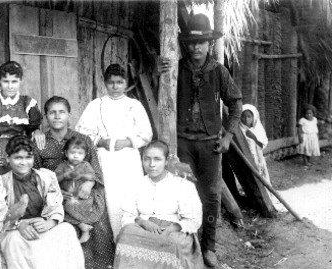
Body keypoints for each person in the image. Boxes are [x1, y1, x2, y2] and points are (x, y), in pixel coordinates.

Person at [157, 14, 242, 267]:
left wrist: (227, 136)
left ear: (208, 44)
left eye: (202, 43)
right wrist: (160, 72)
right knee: (182, 194)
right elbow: (162, 96)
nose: (196, 47)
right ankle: (186, 245)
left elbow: (236, 104)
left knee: (211, 195)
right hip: (182, 143)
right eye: (192, 43)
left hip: (209, 145)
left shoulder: (219, 72)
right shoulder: (175, 68)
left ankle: (209, 248)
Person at [34, 96, 115, 269]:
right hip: (55, 199)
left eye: (62, 112)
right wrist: (53, 193)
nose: (57, 116)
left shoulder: (83, 140)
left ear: (69, 115)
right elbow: (36, 176)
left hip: (84, 194)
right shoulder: (40, 143)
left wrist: (88, 184)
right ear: (46, 116)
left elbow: (96, 172)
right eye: (52, 112)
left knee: (100, 225)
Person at [76, 63, 153, 238]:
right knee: (110, 198)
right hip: (105, 159)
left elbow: (147, 134)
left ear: (126, 83)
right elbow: (81, 131)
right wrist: (99, 141)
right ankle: (112, 241)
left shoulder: (134, 105)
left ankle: (131, 238)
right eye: (111, 82)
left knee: (130, 197)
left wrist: (127, 142)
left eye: (119, 82)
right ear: (105, 83)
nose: (115, 87)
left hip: (128, 159)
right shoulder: (97, 105)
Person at [0, 135, 84, 269]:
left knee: (67, 229)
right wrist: (19, 225)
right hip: (16, 231)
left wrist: (49, 222)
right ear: (8, 159)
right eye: (18, 158)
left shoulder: (45, 177)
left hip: (40, 227)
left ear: (33, 158)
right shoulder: (0, 183)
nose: (24, 163)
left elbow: (55, 207)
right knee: (13, 241)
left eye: (28, 157)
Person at [114, 140, 204, 269]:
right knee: (125, 235)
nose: (151, 165)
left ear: (166, 161)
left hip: (174, 230)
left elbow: (194, 220)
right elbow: (128, 215)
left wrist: (173, 228)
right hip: (143, 229)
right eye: (147, 159)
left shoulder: (183, 185)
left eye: (157, 159)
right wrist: (143, 222)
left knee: (173, 242)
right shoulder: (135, 184)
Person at [0, 61, 45, 175]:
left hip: (19, 156)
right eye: (6, 81)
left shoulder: (27, 103)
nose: (10, 86)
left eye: (14, 81)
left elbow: (32, 128)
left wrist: (37, 130)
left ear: (20, 81)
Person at [55, 136, 98, 243]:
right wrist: (65, 175)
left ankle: (83, 227)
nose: (76, 156)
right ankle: (83, 225)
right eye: (72, 152)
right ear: (66, 153)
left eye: (80, 153)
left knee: (70, 206)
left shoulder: (85, 165)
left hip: (83, 197)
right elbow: (54, 179)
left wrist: (81, 175)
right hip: (67, 196)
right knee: (61, 209)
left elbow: (92, 177)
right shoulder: (63, 166)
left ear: (85, 155)